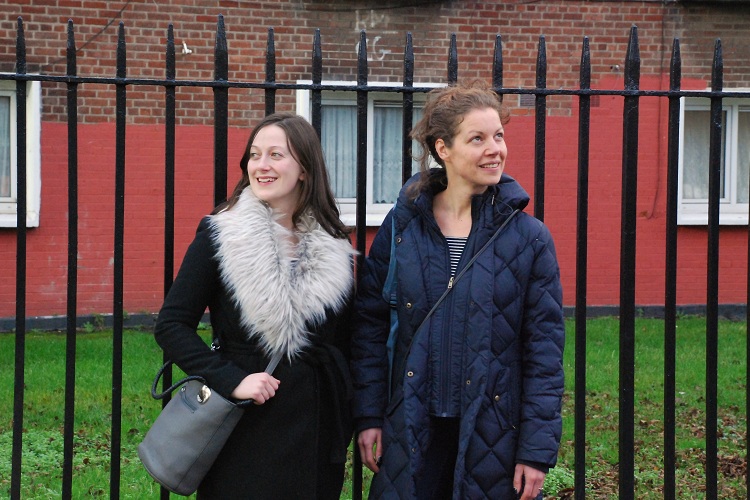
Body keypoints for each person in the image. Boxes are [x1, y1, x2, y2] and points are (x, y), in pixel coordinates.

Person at [351, 81, 565, 500]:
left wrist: (536, 451)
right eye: (478, 139)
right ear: (443, 149)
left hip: (494, 433)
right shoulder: (402, 228)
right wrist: (369, 415)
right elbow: (370, 328)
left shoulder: (529, 238)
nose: (495, 149)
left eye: (499, 136)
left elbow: (544, 351)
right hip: (410, 426)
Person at [154, 112, 356, 499]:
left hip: (315, 425)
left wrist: (348, 414)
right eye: (254, 155)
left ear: (304, 170)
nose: (261, 166)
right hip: (244, 422)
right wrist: (232, 379)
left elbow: (347, 339)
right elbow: (171, 326)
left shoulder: (333, 245)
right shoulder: (222, 235)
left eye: (276, 155)